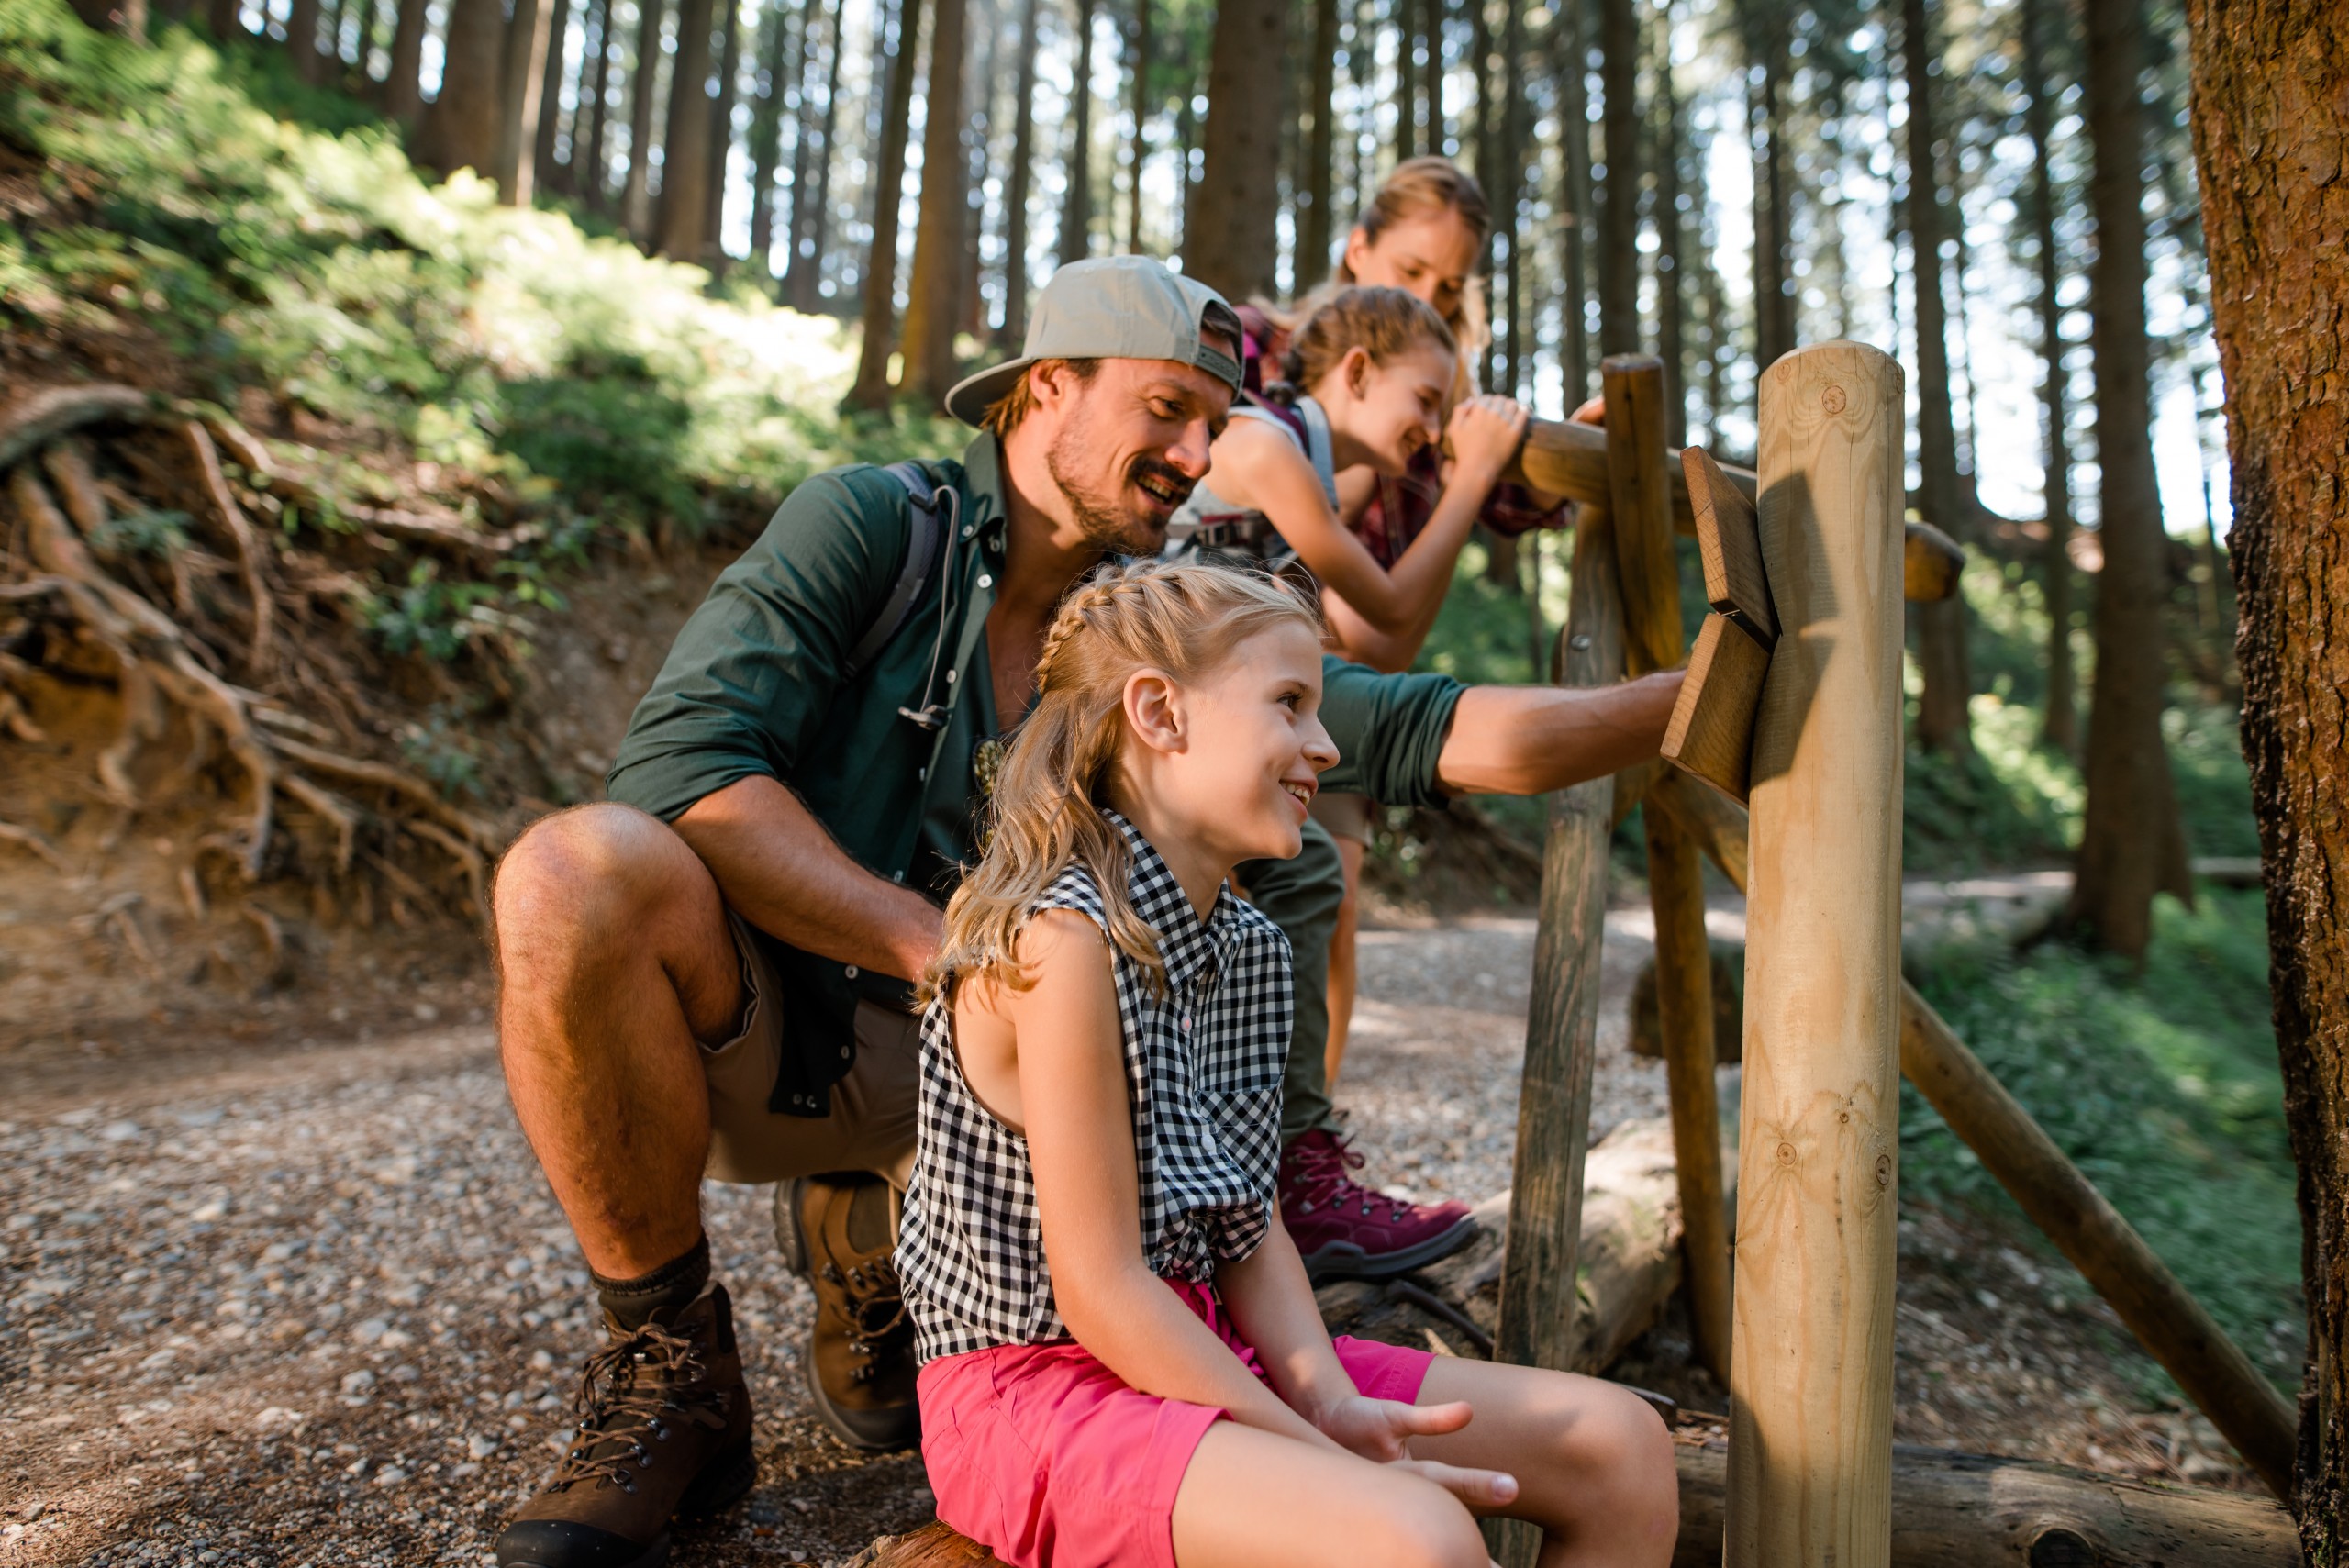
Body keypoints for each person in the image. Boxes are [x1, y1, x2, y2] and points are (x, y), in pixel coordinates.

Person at [485, 256, 1681, 1568]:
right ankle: (672, 1360)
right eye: (1166, 408)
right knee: (574, 873)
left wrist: (1693, 697)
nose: (1194, 450)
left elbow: (1434, 727)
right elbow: (678, 771)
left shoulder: (1166, 630)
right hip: (818, 1030)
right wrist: (953, 953)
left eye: (1214, 418)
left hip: (1011, 1099)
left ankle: (891, 1231)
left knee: (1598, 1444)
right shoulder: (875, 529)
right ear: (1047, 387)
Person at [903, 559, 1678, 1568]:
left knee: (1617, 1444)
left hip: (1203, 1345)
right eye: (1290, 704)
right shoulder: (1061, 941)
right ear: (1158, 712)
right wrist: (1320, 1450)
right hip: (1039, 1387)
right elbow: (1100, 1289)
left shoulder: (1250, 945)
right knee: (1418, 1536)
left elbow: (1249, 1220)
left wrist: (1325, 1393)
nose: (1324, 743)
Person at [1259, 155, 1574, 1094]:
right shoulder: (1263, 356)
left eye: (1450, 286)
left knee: (1330, 906)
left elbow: (1522, 492)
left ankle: (1306, 1147)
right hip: (1237, 659)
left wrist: (1580, 448)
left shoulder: (1434, 402)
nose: (1431, 299)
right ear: (1357, 249)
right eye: (1409, 273)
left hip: (1338, 690)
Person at [1166, 286, 1530, 676]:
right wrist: (1474, 477)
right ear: (1357, 373)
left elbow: (1386, 647)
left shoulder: (1296, 464)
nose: (1433, 434)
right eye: (1425, 402)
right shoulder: (1267, 449)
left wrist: (1463, 486)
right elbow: (1393, 610)